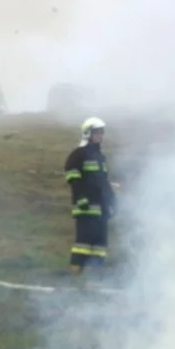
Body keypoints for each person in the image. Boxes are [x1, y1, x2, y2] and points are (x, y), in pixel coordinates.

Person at [63, 116, 116, 274]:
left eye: (101, 132)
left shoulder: (101, 158)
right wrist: (81, 198)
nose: (100, 136)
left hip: (101, 209)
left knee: (100, 244)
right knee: (83, 243)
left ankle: (95, 276)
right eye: (97, 132)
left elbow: (104, 182)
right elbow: (72, 176)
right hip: (85, 208)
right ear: (88, 134)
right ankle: (75, 273)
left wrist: (113, 201)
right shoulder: (78, 155)